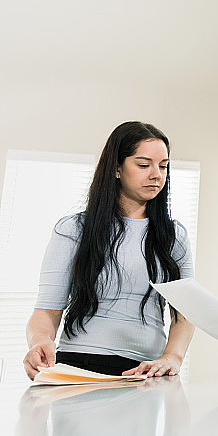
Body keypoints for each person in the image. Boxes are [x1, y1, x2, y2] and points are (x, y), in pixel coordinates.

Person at [23, 121, 195, 379]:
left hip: (144, 372)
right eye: (143, 165)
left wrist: (173, 357)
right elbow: (47, 310)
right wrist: (39, 342)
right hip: (77, 365)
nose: (157, 175)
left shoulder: (174, 236)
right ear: (116, 168)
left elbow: (185, 313)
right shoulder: (74, 229)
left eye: (163, 166)